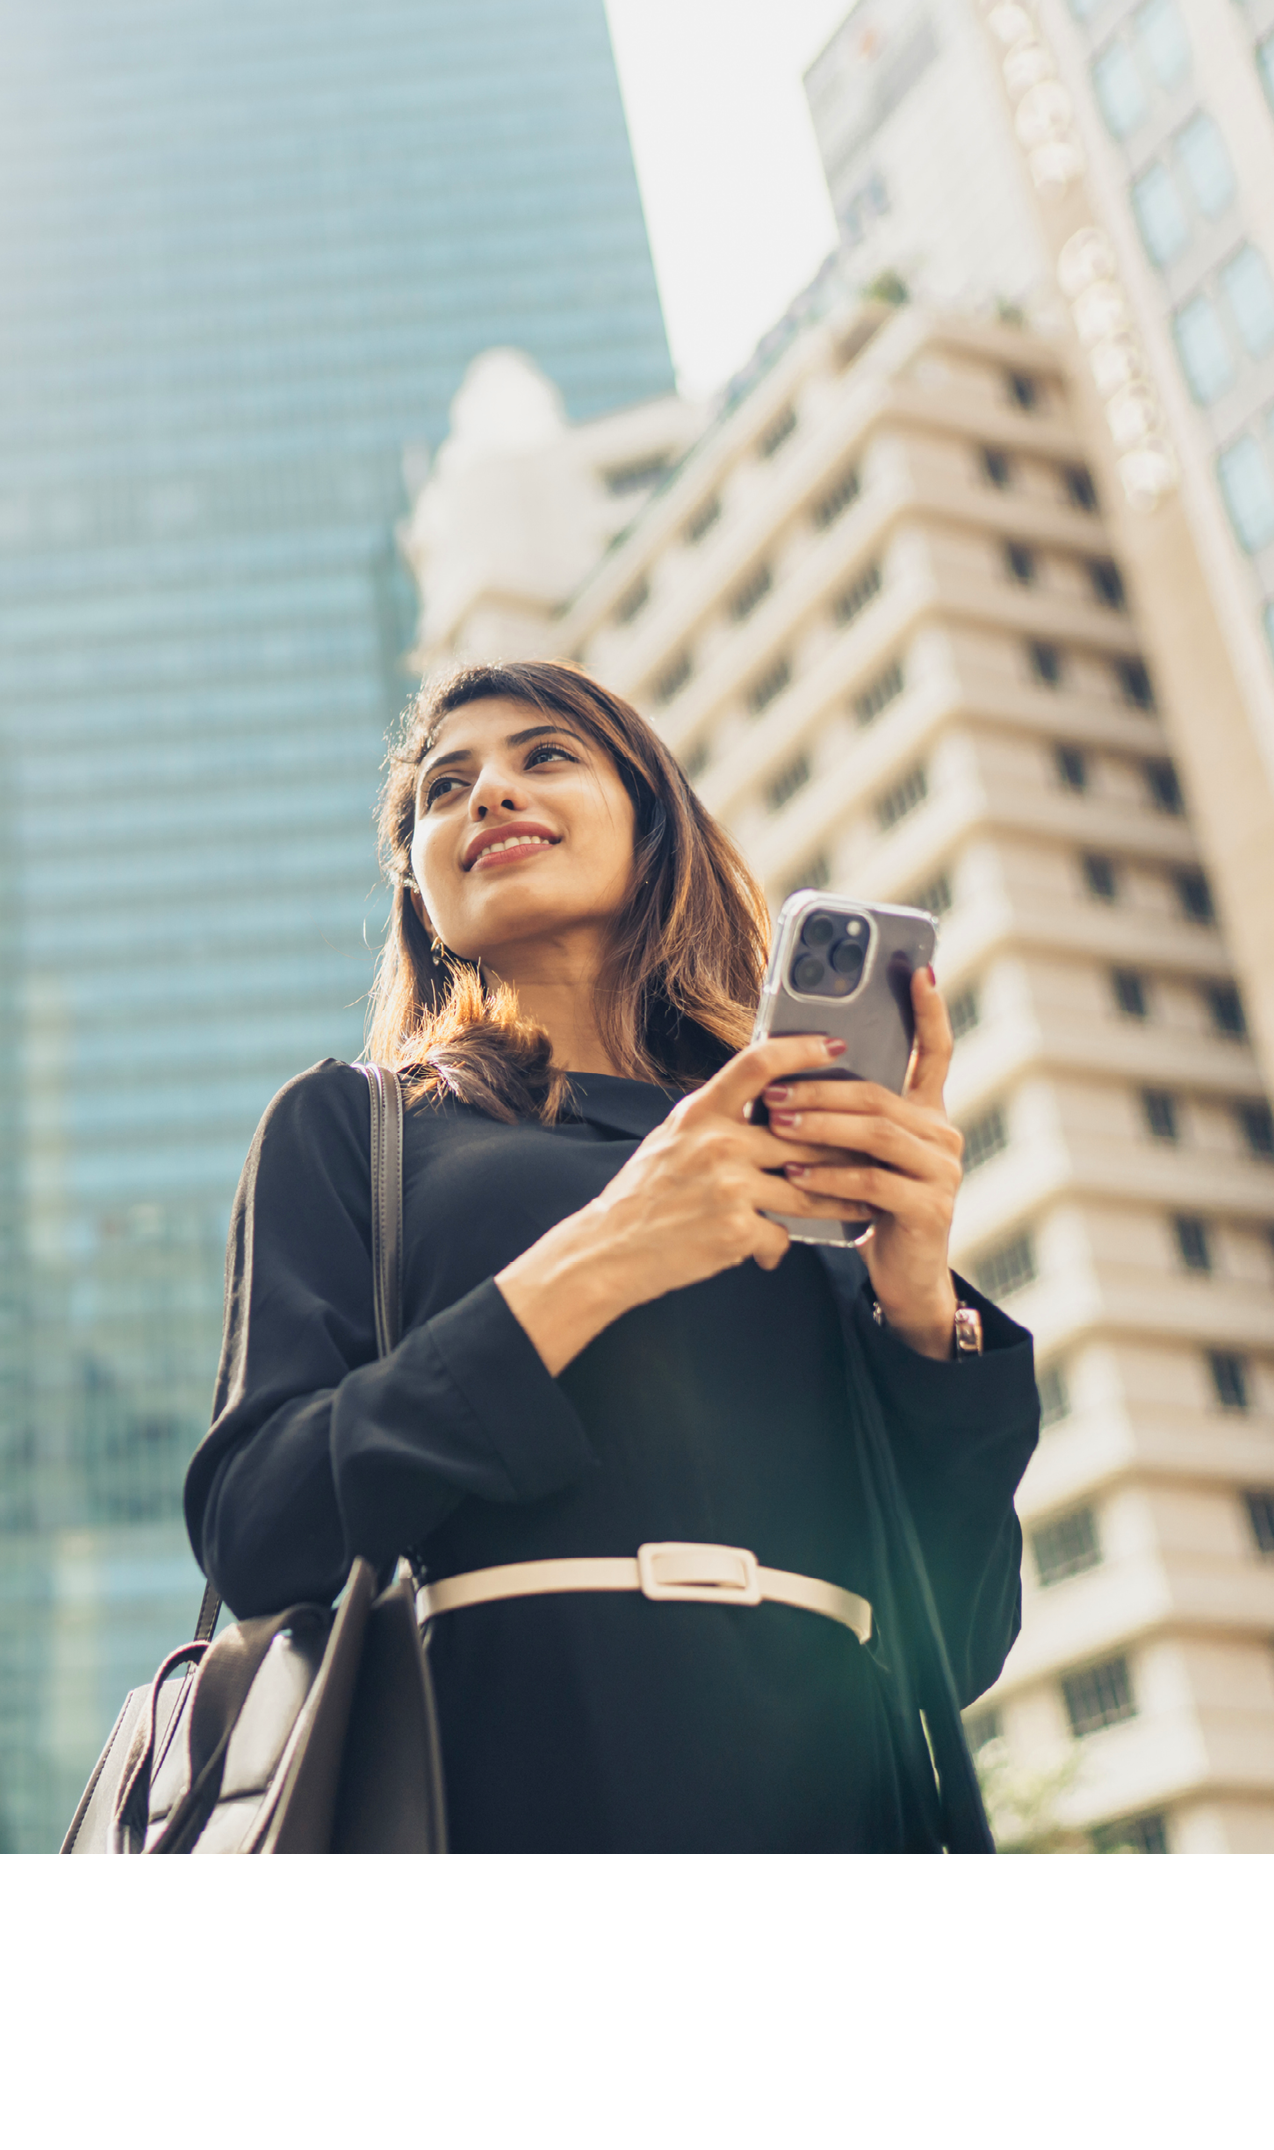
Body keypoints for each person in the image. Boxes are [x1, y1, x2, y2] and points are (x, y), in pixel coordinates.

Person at [183, 659, 1040, 1852]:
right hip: (497, 1779)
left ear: (653, 823)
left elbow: (963, 1637)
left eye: (544, 757)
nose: (486, 794)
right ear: (418, 890)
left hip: (836, 1804)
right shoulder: (355, 1124)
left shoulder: (793, 1151)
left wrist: (915, 1294)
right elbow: (260, 1524)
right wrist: (606, 1253)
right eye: (444, 787)